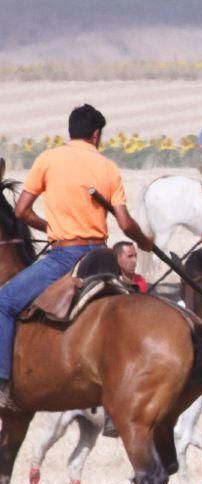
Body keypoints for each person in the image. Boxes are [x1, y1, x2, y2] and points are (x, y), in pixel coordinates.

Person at [0, 104, 154, 408]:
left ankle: (2, 382)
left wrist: (52, 227)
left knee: (3, 302)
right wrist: (144, 242)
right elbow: (124, 223)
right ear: (96, 135)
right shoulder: (107, 167)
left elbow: (20, 212)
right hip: (101, 256)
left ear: (71, 131)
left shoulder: (48, 159)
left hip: (64, 256)